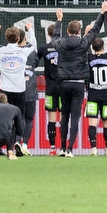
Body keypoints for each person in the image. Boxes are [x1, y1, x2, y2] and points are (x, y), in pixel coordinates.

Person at [50, 3, 107, 157]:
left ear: (68, 31)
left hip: (63, 83)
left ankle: (62, 148)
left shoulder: (61, 43)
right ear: (80, 31)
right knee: (75, 116)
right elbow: (95, 30)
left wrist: (59, 21)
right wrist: (102, 13)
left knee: (64, 115)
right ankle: (69, 149)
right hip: (78, 83)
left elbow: (54, 37)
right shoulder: (83, 44)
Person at [0, 24, 36, 156]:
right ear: (18, 38)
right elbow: (33, 44)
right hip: (20, 90)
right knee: (19, 117)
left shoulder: (1, 51)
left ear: (7, 38)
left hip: (5, 91)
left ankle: (2, 145)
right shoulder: (23, 51)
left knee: (4, 118)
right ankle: (17, 141)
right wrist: (31, 29)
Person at [86, 37, 107, 156]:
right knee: (106, 123)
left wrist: (87, 33)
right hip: (106, 95)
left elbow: (81, 48)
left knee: (92, 123)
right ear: (104, 47)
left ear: (92, 48)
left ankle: (93, 148)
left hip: (93, 95)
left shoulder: (89, 58)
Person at [39, 10, 63, 156]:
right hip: (64, 86)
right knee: (65, 116)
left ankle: (52, 147)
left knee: (52, 117)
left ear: (48, 34)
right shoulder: (65, 46)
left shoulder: (43, 48)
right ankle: (65, 146)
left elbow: (34, 60)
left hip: (51, 87)